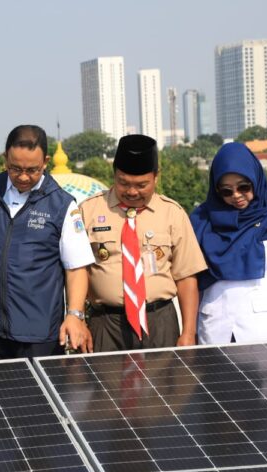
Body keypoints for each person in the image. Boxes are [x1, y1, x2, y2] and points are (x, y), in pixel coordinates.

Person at [0, 124, 94, 360]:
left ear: (45, 162)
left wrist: (75, 314)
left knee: (39, 396)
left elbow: (77, 267)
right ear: (5, 159)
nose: (22, 177)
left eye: (32, 170)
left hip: (39, 335)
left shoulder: (61, 205)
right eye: (15, 168)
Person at [80, 134, 207, 351]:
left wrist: (188, 332)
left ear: (156, 177)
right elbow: (76, 271)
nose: (131, 192)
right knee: (104, 384)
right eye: (123, 183)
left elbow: (186, 277)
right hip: (105, 324)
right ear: (114, 175)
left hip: (159, 322)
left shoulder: (172, 213)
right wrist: (79, 319)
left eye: (141, 185)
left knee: (162, 385)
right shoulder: (88, 211)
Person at [189, 142, 267, 344]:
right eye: (226, 191)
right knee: (220, 376)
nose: (236, 196)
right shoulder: (203, 219)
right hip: (218, 328)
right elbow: (190, 274)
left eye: (243, 187)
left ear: (255, 180)